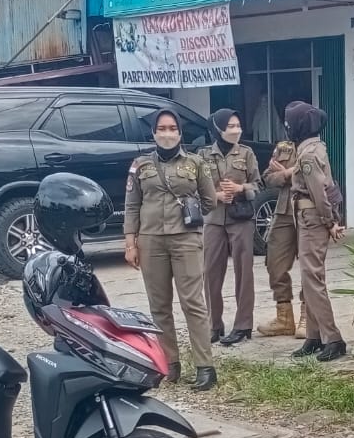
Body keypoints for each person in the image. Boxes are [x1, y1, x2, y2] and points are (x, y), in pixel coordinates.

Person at [123, 109, 219, 392]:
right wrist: (131, 243)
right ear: (154, 133)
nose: (167, 133)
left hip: (186, 239)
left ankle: (205, 367)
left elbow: (210, 200)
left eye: (172, 128)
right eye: (162, 128)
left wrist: (191, 212)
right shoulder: (140, 165)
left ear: (180, 133)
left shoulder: (196, 163)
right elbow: (132, 205)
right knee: (159, 305)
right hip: (151, 241)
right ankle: (170, 364)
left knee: (193, 302)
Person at [285, 101, 347, 363]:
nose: (287, 127)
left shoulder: (307, 155)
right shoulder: (315, 147)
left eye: (289, 123)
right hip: (309, 217)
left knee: (313, 280)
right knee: (309, 279)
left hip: (312, 218)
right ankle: (313, 336)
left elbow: (319, 192)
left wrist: (329, 220)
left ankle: (333, 338)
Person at [200, 109, 261, 347]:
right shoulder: (203, 155)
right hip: (214, 220)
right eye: (231, 126)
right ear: (218, 128)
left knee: (244, 273)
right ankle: (214, 325)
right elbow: (197, 188)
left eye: (238, 126)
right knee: (211, 273)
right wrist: (216, 195)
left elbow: (258, 185)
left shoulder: (246, 153)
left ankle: (243, 325)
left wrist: (240, 189)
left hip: (241, 220)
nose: (236, 130)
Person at [256, 139, 301, 338]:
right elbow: (267, 178)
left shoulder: (314, 147)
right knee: (274, 262)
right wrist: (286, 174)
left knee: (310, 266)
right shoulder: (284, 147)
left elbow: (314, 176)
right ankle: (284, 317)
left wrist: (289, 172)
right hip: (283, 210)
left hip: (308, 210)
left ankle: (308, 317)